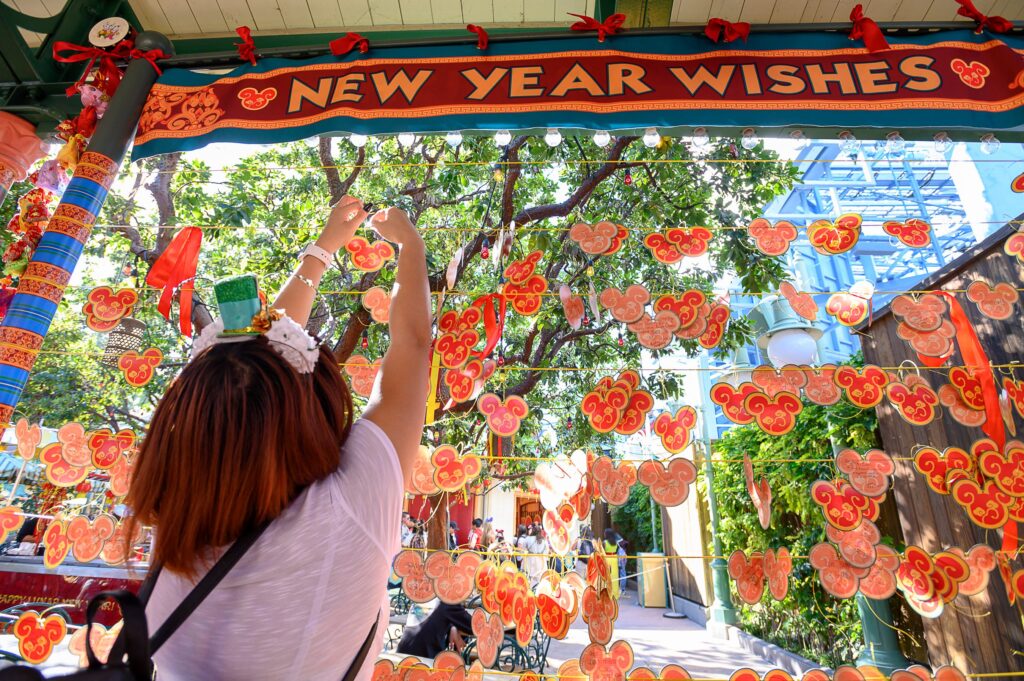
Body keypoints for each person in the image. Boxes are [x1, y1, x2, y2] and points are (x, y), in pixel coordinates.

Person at [127, 198, 432, 681]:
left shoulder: (178, 529)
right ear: (311, 413)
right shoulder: (350, 508)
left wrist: (323, 248)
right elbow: (412, 342)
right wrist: (411, 247)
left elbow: (252, 376)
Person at [395, 602, 473, 658]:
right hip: (423, 658)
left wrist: (453, 627)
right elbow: (474, 626)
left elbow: (435, 617)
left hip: (401, 652)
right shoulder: (447, 601)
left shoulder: (423, 597)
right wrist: (454, 626)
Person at [603, 528, 622, 600]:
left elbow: (602, 551)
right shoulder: (616, 542)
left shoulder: (604, 542)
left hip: (607, 559)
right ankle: (615, 595)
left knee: (607, 577)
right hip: (614, 559)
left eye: (605, 533)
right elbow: (617, 551)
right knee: (615, 576)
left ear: (607, 534)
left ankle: (608, 593)